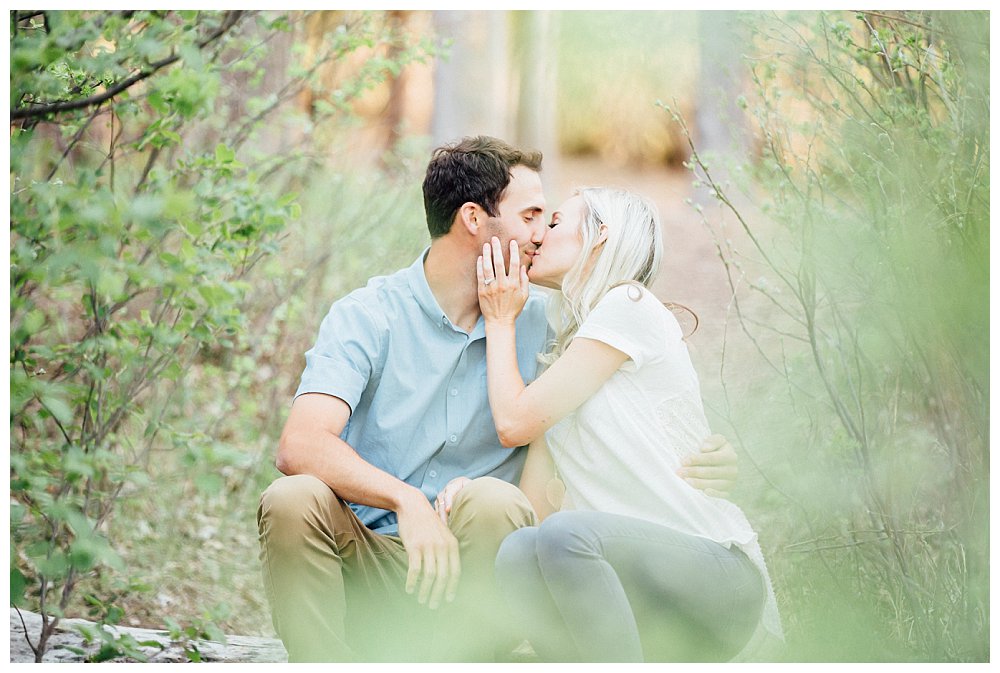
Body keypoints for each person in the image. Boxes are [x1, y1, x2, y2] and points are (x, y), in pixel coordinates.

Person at [256, 136, 740, 662]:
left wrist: (710, 455)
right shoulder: (369, 314)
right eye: (532, 216)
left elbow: (633, 398)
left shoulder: (551, 324)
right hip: (369, 554)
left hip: (476, 578)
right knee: (292, 498)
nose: (540, 234)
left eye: (550, 222)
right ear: (473, 219)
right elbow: (300, 444)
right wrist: (406, 500)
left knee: (495, 502)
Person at [474, 187, 782, 662]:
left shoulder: (629, 304)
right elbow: (537, 509)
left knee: (564, 535)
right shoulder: (564, 359)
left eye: (554, 223)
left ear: (600, 235)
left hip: (714, 576)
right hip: (635, 585)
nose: (538, 237)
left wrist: (499, 320)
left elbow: (513, 423)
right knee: (520, 550)